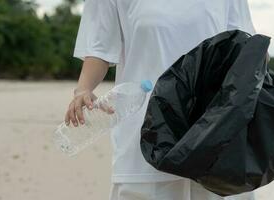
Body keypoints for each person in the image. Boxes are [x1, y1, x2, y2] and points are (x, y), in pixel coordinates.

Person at [64, 0, 258, 199]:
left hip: (217, 138)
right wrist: (83, 89)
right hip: (145, 142)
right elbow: (98, 48)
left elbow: (246, 45)